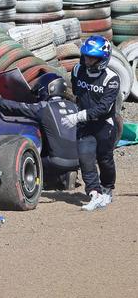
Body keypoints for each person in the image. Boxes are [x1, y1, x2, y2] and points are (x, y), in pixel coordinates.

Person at [0, 73, 79, 188]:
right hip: (79, 161)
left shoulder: (44, 107)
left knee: (27, 160)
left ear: (48, 89)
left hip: (56, 161)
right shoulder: (75, 107)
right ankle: (65, 176)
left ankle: (38, 184)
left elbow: (18, 107)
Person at [61, 35, 120, 211]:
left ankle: (107, 190)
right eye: (86, 56)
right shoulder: (78, 70)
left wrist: (77, 117)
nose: (88, 60)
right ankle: (94, 193)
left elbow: (103, 108)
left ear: (102, 59)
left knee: (105, 159)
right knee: (86, 157)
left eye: (92, 57)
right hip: (85, 125)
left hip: (105, 125)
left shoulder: (112, 78)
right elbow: (76, 92)